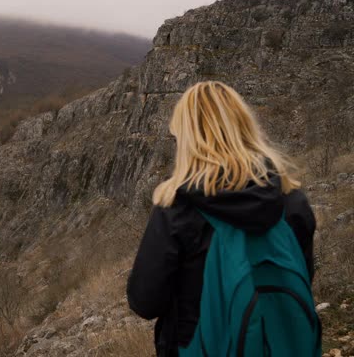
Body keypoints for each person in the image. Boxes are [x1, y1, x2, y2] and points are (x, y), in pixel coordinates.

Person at [126, 81, 317, 356]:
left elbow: (145, 302)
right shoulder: (291, 200)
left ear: (188, 137)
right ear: (245, 126)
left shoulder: (176, 209)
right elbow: (302, 276)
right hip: (280, 344)